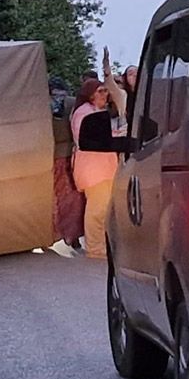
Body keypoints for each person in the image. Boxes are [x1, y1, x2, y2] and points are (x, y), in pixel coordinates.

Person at [71, 78, 117, 259]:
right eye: (100, 91)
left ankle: (101, 246)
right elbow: (91, 138)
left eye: (105, 91)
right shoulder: (83, 113)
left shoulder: (96, 111)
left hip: (103, 168)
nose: (104, 95)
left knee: (104, 209)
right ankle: (95, 249)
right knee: (97, 210)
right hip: (93, 169)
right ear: (90, 94)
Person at [48, 78, 84, 257]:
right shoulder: (73, 102)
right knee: (73, 197)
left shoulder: (43, 104)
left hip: (52, 155)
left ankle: (56, 234)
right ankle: (73, 234)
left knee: (55, 197)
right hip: (71, 154)